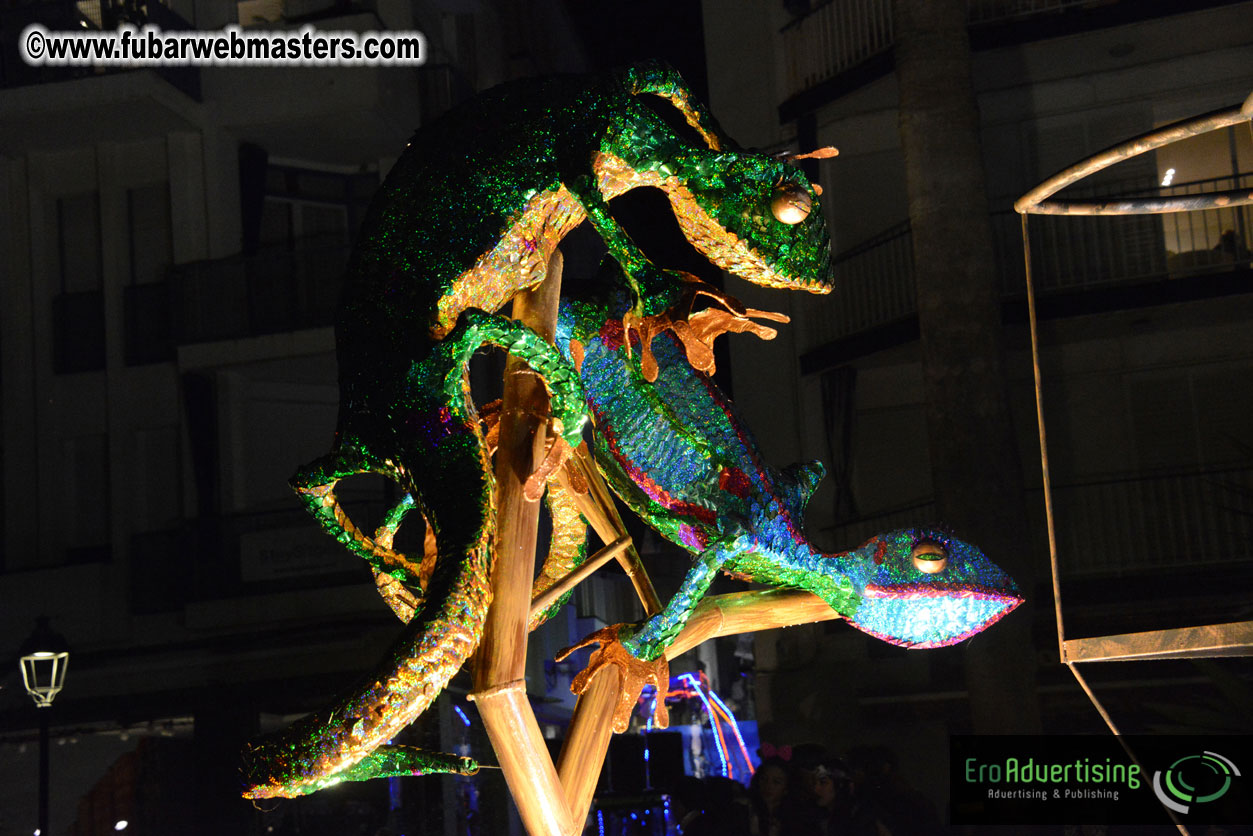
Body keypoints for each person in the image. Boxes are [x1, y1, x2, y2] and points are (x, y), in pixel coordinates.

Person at [748, 754, 793, 836]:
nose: (768, 786)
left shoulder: (793, 817)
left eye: (776, 782)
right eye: (764, 779)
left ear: (786, 787)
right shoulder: (746, 811)